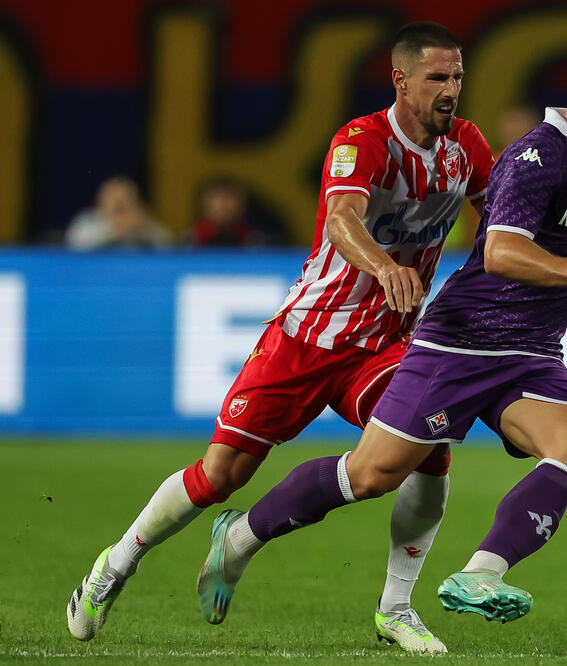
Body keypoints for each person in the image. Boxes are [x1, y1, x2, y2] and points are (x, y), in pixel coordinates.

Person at [198, 32, 567, 638]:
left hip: (530, 351)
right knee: (372, 477)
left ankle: (481, 573)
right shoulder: (536, 157)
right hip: (462, 343)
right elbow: (504, 251)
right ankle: (242, 534)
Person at [66, 21, 494, 654]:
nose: (452, 89)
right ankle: (117, 564)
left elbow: (502, 223)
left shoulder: (467, 147)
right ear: (402, 81)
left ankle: (396, 609)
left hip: (382, 346)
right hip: (305, 337)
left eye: (458, 76)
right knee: (220, 475)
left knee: (428, 449)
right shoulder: (362, 140)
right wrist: (384, 267)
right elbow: (343, 219)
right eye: (439, 77)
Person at [65, 176, 171, 250]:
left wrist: (144, 227)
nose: (121, 206)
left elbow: (167, 243)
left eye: (126, 199)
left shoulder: (140, 222)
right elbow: (75, 242)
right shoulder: (89, 219)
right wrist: (114, 229)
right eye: (116, 200)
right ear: (102, 199)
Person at [187, 176, 254, 247]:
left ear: (242, 205)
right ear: (203, 205)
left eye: (228, 196)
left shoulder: (254, 243)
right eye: (216, 196)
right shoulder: (187, 243)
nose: (222, 204)